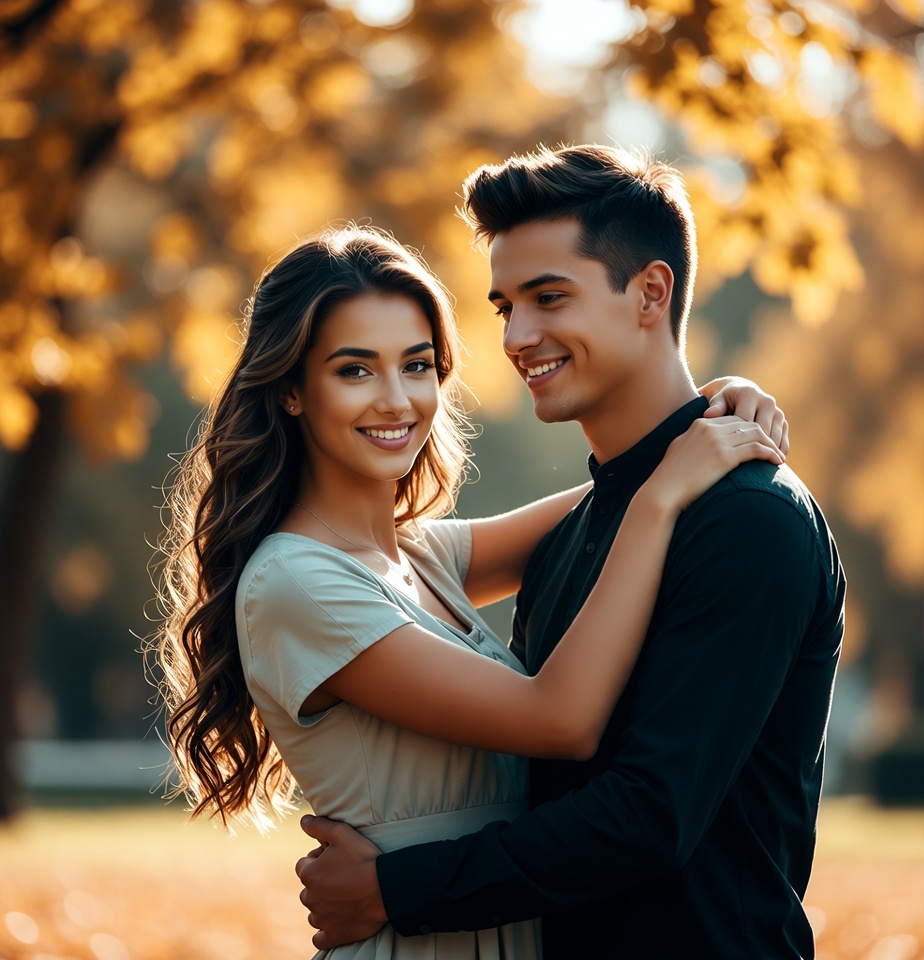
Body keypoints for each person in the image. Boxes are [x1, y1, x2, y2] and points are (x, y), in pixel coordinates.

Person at [148, 223, 786, 960]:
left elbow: (614, 487)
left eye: (417, 365)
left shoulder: (422, 557)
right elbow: (561, 719)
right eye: (355, 371)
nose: (397, 400)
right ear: (292, 390)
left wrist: (708, 407)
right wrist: (662, 497)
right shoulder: (297, 582)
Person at [295, 147, 845, 959]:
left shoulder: (749, 522)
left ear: (651, 293)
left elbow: (649, 815)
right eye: (504, 307)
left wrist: (395, 889)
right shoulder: (580, 531)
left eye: (549, 298)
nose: (518, 337)